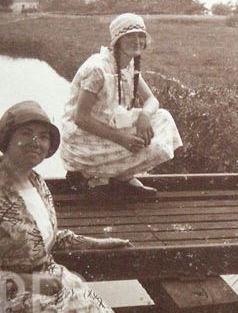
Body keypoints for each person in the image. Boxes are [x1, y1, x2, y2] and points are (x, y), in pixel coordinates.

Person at [0, 101, 130, 313]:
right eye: (26, 133)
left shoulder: (36, 182)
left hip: (47, 282)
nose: (35, 142)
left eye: (43, 136)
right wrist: (30, 282)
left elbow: (39, 238)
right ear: (7, 139)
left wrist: (95, 243)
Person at [60, 13, 182, 195]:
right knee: (153, 145)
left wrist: (144, 115)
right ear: (117, 40)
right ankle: (89, 176)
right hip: (84, 142)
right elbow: (81, 118)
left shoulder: (128, 65)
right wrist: (122, 139)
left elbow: (151, 100)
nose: (137, 41)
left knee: (163, 117)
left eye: (141, 35)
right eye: (130, 36)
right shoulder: (98, 69)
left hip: (109, 130)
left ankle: (120, 177)